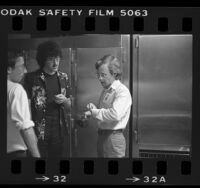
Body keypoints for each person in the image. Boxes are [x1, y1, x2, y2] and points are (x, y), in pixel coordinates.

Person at [23, 41, 71, 157]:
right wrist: (29, 130)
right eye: (51, 59)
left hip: (58, 129)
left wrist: (65, 100)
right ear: (43, 59)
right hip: (38, 128)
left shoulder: (63, 77)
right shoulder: (31, 78)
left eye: (57, 59)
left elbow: (69, 105)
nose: (55, 63)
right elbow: (26, 107)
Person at [84, 55, 132, 158]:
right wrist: (94, 109)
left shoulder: (122, 91)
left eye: (103, 75)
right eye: (98, 75)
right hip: (102, 137)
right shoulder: (106, 90)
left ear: (114, 73)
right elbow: (105, 111)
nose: (100, 78)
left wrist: (94, 112)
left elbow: (115, 114)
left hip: (113, 139)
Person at [7, 51, 40, 158]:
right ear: (8, 69)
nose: (25, 70)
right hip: (15, 153)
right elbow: (25, 128)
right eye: (21, 66)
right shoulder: (16, 89)